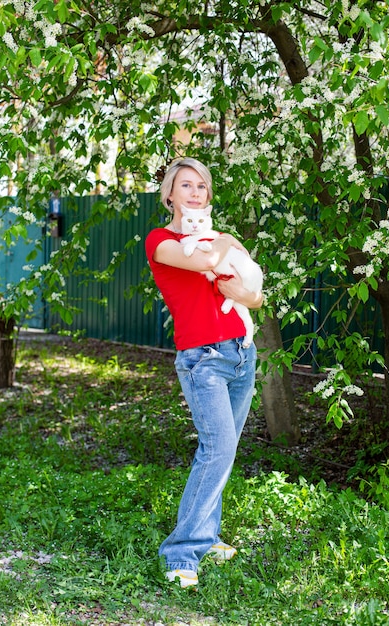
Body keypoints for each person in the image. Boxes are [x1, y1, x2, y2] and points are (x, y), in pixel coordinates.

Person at [145, 157, 264, 588]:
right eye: (186, 185)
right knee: (217, 450)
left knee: (225, 451)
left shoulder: (212, 240)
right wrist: (229, 239)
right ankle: (180, 554)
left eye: (202, 186)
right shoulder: (161, 242)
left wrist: (247, 290)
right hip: (203, 359)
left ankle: (205, 535)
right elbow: (209, 259)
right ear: (170, 195)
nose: (195, 192)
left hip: (241, 352)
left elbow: (253, 298)